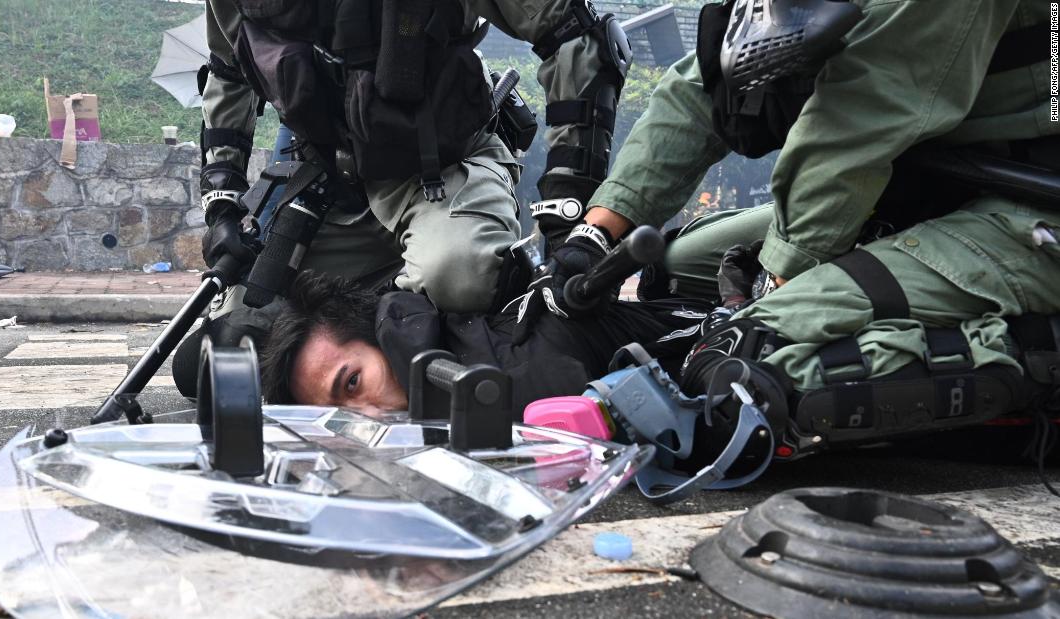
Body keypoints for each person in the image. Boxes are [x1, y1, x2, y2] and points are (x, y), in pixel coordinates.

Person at [522, 0, 1059, 499]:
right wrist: (594, 237)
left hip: (1025, 207)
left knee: (748, 372)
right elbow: (705, 82)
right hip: (917, 190)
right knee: (672, 270)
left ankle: (1035, 354)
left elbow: (859, 117)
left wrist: (774, 284)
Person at [198, 0, 632, 315]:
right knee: (240, 320)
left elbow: (577, 36)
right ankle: (399, 307)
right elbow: (228, 71)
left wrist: (567, 210)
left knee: (459, 276)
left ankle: (484, 282)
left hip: (446, 166)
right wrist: (222, 201)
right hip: (326, 181)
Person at [252, 270, 705, 416]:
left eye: (351, 384)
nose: (362, 416)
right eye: (335, 417)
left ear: (383, 340)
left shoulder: (509, 380)